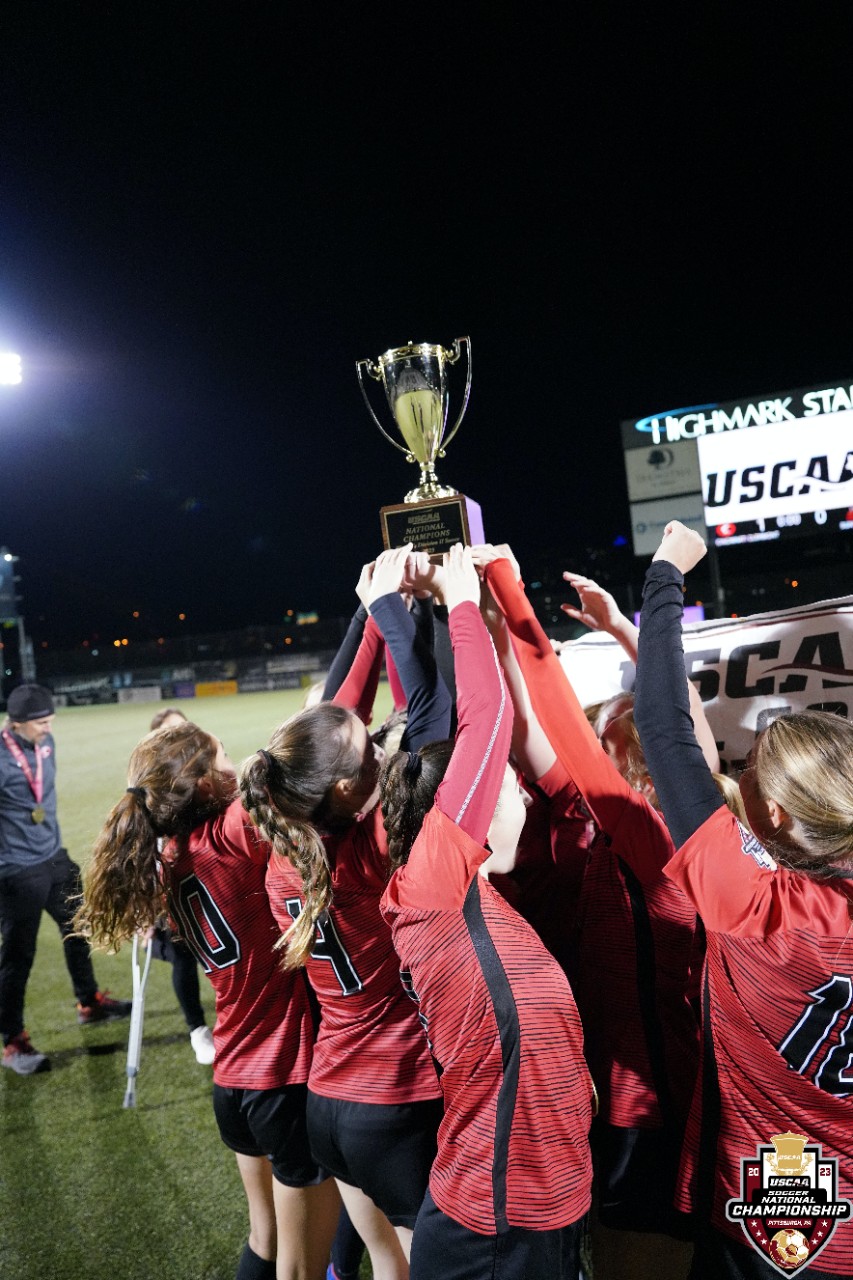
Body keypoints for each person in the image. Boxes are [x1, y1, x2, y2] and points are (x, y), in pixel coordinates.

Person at [634, 520, 853, 1279]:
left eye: (752, 775)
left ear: (782, 818)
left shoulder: (749, 903)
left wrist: (663, 578)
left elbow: (663, 732)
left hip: (776, 1209)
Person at [380, 545, 594, 1280]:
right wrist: (461, 600)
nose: (523, 796)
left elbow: (442, 725)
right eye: (505, 787)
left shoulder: (465, 891)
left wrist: (402, 615)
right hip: (497, 1228)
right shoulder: (435, 888)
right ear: (458, 811)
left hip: (539, 1203)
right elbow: (486, 720)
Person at [241, 546, 451, 1280]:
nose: (377, 741)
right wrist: (399, 613)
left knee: (390, 1271)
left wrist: (373, 611)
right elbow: (431, 723)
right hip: (398, 1098)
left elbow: (328, 727)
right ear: (340, 789)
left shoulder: (282, 851)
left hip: (328, 1100)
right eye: (369, 749)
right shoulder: (373, 849)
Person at [78, 721, 339, 1280]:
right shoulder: (232, 832)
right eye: (221, 758)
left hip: (233, 1078)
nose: (234, 764)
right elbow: (312, 751)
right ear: (201, 784)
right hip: (280, 1076)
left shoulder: (171, 858)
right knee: (300, 1269)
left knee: (264, 1239)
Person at [0, 683, 130, 1076]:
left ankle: (88, 1002)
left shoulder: (47, 743)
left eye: (50, 720)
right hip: (15, 870)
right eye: (41, 722)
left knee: (80, 926)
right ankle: (12, 1042)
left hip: (54, 858)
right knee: (18, 957)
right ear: (17, 723)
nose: (48, 727)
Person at [146, 705, 215, 1065]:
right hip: (171, 886)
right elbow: (142, 850)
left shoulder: (208, 772)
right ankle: (197, 1029)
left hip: (210, 879)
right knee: (182, 957)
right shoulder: (150, 788)